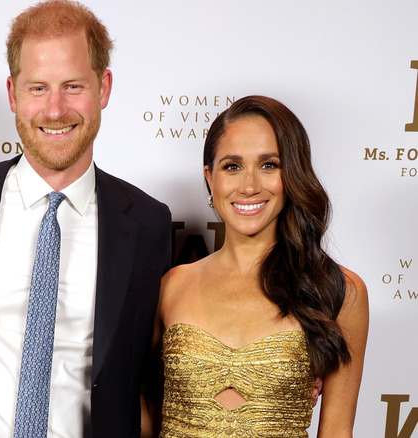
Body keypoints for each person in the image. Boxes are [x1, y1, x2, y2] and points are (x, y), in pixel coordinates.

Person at [0, 1, 172, 437]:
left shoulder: (148, 224)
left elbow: (157, 375)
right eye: (37, 88)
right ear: (12, 93)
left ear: (103, 88)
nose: (54, 109)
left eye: (73, 86)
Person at [157, 95, 368, 436]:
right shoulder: (171, 285)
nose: (250, 186)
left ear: (294, 174)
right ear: (211, 178)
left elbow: (337, 431)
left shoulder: (338, 290)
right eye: (232, 166)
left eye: (269, 165)